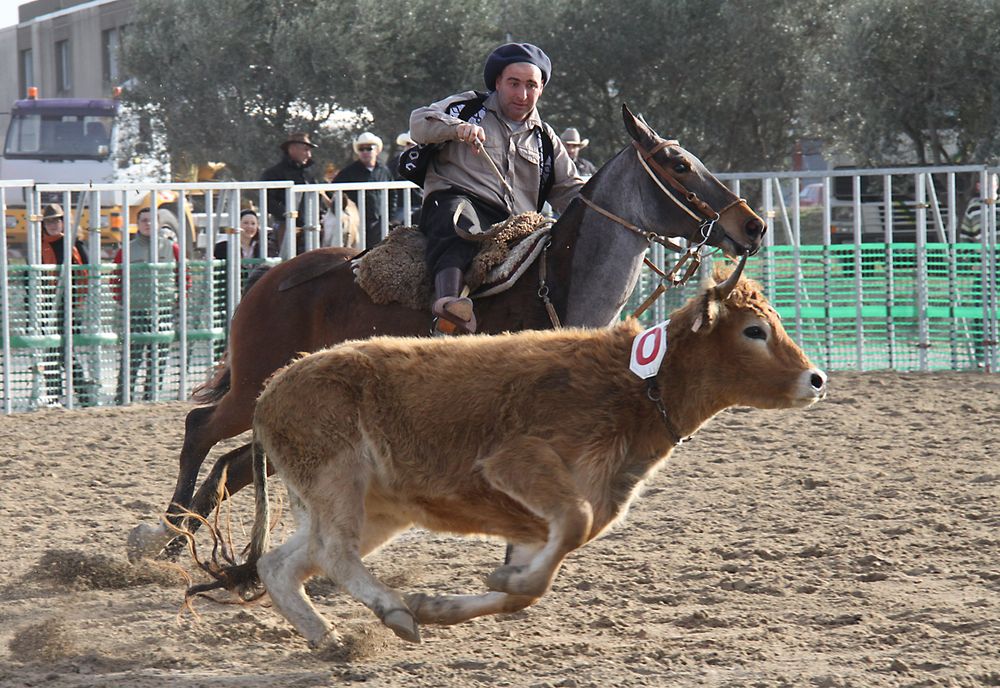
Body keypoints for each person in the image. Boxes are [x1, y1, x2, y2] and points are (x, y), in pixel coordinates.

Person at [409, 42, 585, 334]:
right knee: (459, 223)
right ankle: (450, 309)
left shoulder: (546, 139)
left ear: (541, 89)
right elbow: (419, 124)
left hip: (515, 224)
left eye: (531, 85)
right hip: (458, 201)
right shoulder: (469, 108)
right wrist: (456, 128)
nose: (522, 94)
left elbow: (570, 191)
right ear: (497, 83)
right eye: (513, 83)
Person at [113, 206, 181, 403]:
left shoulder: (171, 248)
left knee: (158, 357)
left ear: (159, 223)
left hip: (163, 310)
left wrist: (178, 297)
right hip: (135, 311)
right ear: (138, 223)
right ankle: (123, 396)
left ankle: (151, 396)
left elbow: (184, 275)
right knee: (132, 357)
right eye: (144, 220)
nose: (148, 224)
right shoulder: (126, 250)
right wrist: (124, 301)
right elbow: (115, 278)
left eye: (152, 220)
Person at [38, 202, 98, 407]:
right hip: (46, 306)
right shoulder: (38, 245)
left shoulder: (74, 244)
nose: (53, 224)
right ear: (44, 224)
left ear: (64, 222)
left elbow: (87, 272)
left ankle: (80, 395)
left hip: (69, 307)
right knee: (51, 352)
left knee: (64, 352)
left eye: (57, 220)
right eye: (49, 221)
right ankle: (58, 395)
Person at [259, 132, 326, 256]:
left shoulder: (311, 174)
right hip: (286, 227)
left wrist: (321, 215)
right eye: (305, 149)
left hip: (311, 226)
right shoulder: (274, 173)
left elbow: (320, 197)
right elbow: (266, 200)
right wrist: (287, 215)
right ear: (292, 149)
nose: (309, 154)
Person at [333, 132, 396, 248]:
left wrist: (389, 217)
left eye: (369, 148)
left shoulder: (384, 171)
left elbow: (393, 194)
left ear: (377, 150)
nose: (365, 152)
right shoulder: (348, 172)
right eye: (361, 149)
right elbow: (334, 191)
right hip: (357, 224)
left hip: (379, 223)